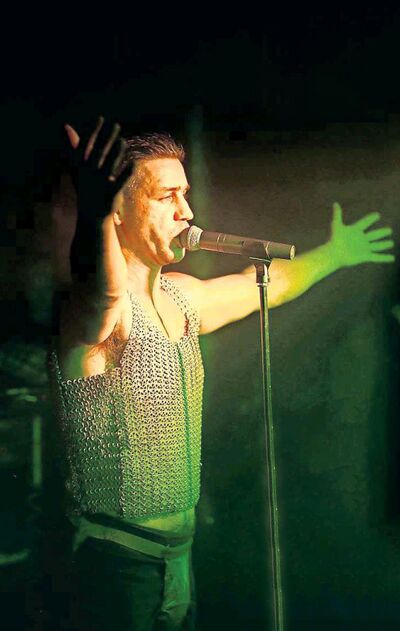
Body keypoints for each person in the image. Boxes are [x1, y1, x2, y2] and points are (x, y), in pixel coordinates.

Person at [48, 117, 394, 630]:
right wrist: (95, 214)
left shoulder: (182, 298)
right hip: (116, 563)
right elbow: (103, 292)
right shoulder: (95, 313)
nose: (186, 212)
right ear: (120, 208)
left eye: (185, 194)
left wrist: (334, 254)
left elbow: (270, 284)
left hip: (178, 558)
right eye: (167, 197)